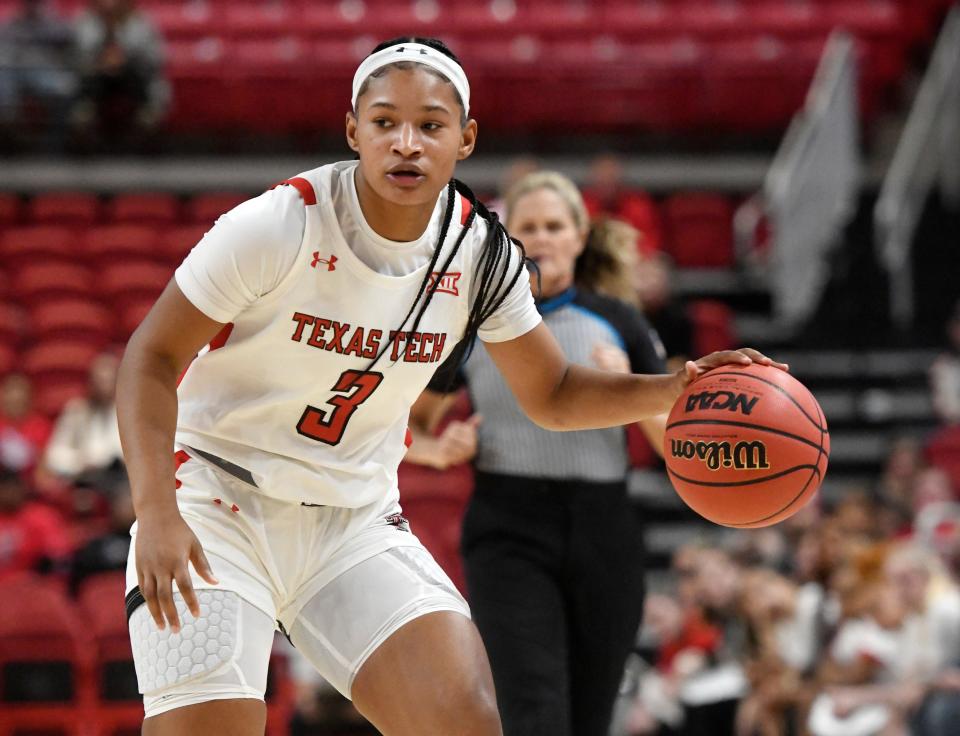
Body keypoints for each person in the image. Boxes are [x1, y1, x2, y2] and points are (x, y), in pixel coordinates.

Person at [117, 36, 785, 735]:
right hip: (217, 504)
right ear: (354, 130)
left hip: (350, 517)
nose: (406, 143)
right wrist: (159, 513)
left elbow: (551, 393)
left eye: (431, 125)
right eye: (384, 123)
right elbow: (149, 359)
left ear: (464, 139)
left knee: (465, 719)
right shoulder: (277, 224)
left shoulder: (483, 254)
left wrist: (674, 387)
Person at [406, 170, 669, 736]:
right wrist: (441, 449)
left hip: (605, 531)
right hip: (509, 529)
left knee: (591, 716)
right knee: (534, 711)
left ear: (580, 236)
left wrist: (628, 388)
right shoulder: (475, 322)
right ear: (509, 239)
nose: (544, 237)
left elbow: (676, 446)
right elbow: (409, 429)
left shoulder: (621, 322)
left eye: (556, 226)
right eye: (530, 227)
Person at [72, 0, 168, 144]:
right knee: (88, 81)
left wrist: (125, 57)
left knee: (144, 81)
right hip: (96, 73)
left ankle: (147, 117)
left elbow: (157, 56)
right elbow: (79, 52)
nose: (110, 4)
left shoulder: (140, 20)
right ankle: (84, 115)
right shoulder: (86, 19)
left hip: (133, 72)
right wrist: (102, 58)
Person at [43, 349, 125, 489]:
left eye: (109, 381)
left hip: (120, 480)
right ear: (90, 382)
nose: (104, 387)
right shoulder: (76, 411)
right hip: (85, 480)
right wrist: (79, 462)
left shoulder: (127, 411)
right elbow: (54, 455)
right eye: (100, 381)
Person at [0, 0, 75, 150]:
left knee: (66, 87)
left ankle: (55, 142)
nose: (32, 6)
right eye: (28, 4)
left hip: (44, 72)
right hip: (14, 72)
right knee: (4, 92)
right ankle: (8, 141)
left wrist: (45, 21)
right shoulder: (12, 22)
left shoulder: (52, 21)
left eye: (35, 3)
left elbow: (67, 36)